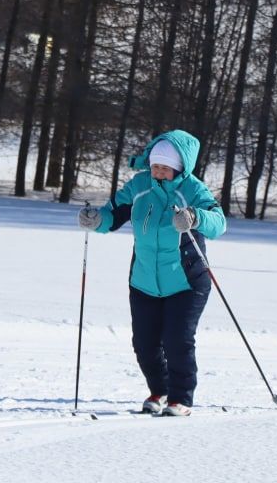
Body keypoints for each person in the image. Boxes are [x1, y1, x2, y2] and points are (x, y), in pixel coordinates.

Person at [77, 129, 225, 416]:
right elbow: (113, 215)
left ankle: (180, 399)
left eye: (165, 167)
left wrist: (195, 217)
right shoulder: (139, 185)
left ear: (179, 166)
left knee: (177, 339)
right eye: (155, 165)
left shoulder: (193, 189)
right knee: (144, 343)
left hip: (186, 281)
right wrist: (96, 220)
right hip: (144, 280)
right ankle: (160, 390)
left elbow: (218, 223)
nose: (158, 171)